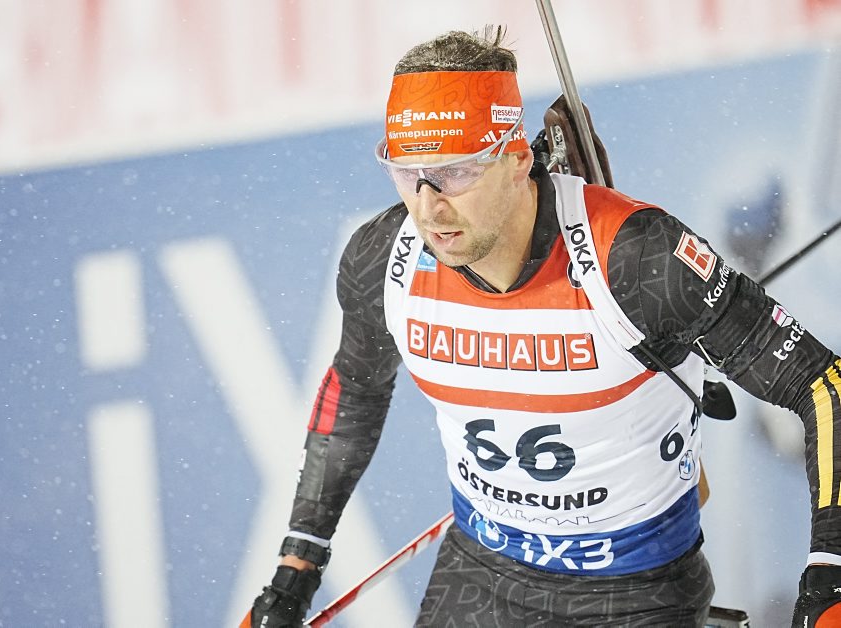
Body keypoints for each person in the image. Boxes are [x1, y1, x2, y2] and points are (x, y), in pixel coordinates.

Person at [248, 26, 841, 627]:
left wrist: (829, 576)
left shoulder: (635, 257)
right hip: (480, 576)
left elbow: (823, 386)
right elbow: (354, 394)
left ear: (516, 159)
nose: (429, 206)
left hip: (635, 591)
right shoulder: (383, 259)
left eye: (455, 172)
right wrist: (294, 572)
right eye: (409, 173)